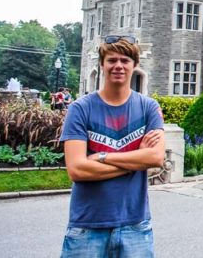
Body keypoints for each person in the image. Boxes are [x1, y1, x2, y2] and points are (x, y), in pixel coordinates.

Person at [59, 35, 165, 257]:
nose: (118, 66)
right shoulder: (80, 109)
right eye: (112, 60)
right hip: (87, 226)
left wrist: (100, 157)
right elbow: (77, 169)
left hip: (135, 225)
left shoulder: (148, 108)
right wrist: (136, 160)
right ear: (102, 64)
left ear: (135, 65)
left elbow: (155, 158)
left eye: (125, 61)